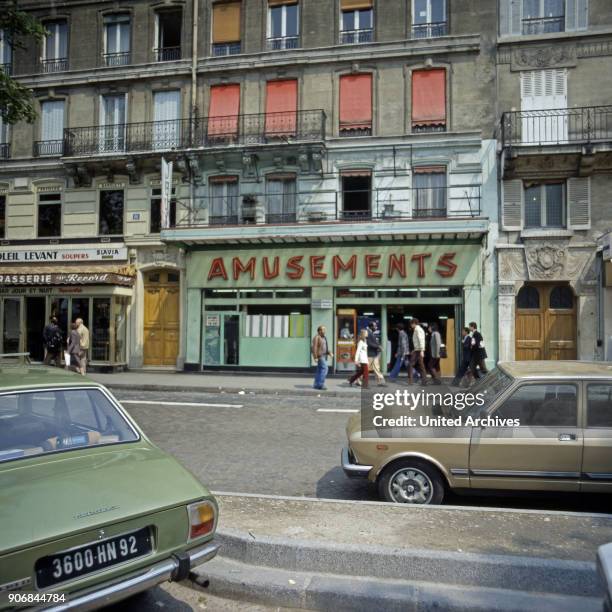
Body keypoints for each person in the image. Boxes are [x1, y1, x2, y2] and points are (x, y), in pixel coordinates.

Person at [312, 325, 333, 390]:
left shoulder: (324, 338)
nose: (324, 331)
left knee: (319, 370)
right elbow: (314, 348)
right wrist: (315, 357)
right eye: (323, 329)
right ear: (319, 331)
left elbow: (325, 348)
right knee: (325, 369)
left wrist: (329, 353)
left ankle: (316, 384)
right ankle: (320, 384)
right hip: (320, 356)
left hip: (324, 355)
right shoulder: (317, 337)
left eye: (325, 329)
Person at [408, 318, 428, 386]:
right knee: (421, 365)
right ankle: (424, 381)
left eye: (411, 324)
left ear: (413, 323)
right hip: (417, 349)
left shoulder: (417, 329)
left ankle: (411, 381)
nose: (410, 325)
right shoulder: (418, 329)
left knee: (411, 364)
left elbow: (421, 340)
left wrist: (422, 350)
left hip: (418, 350)